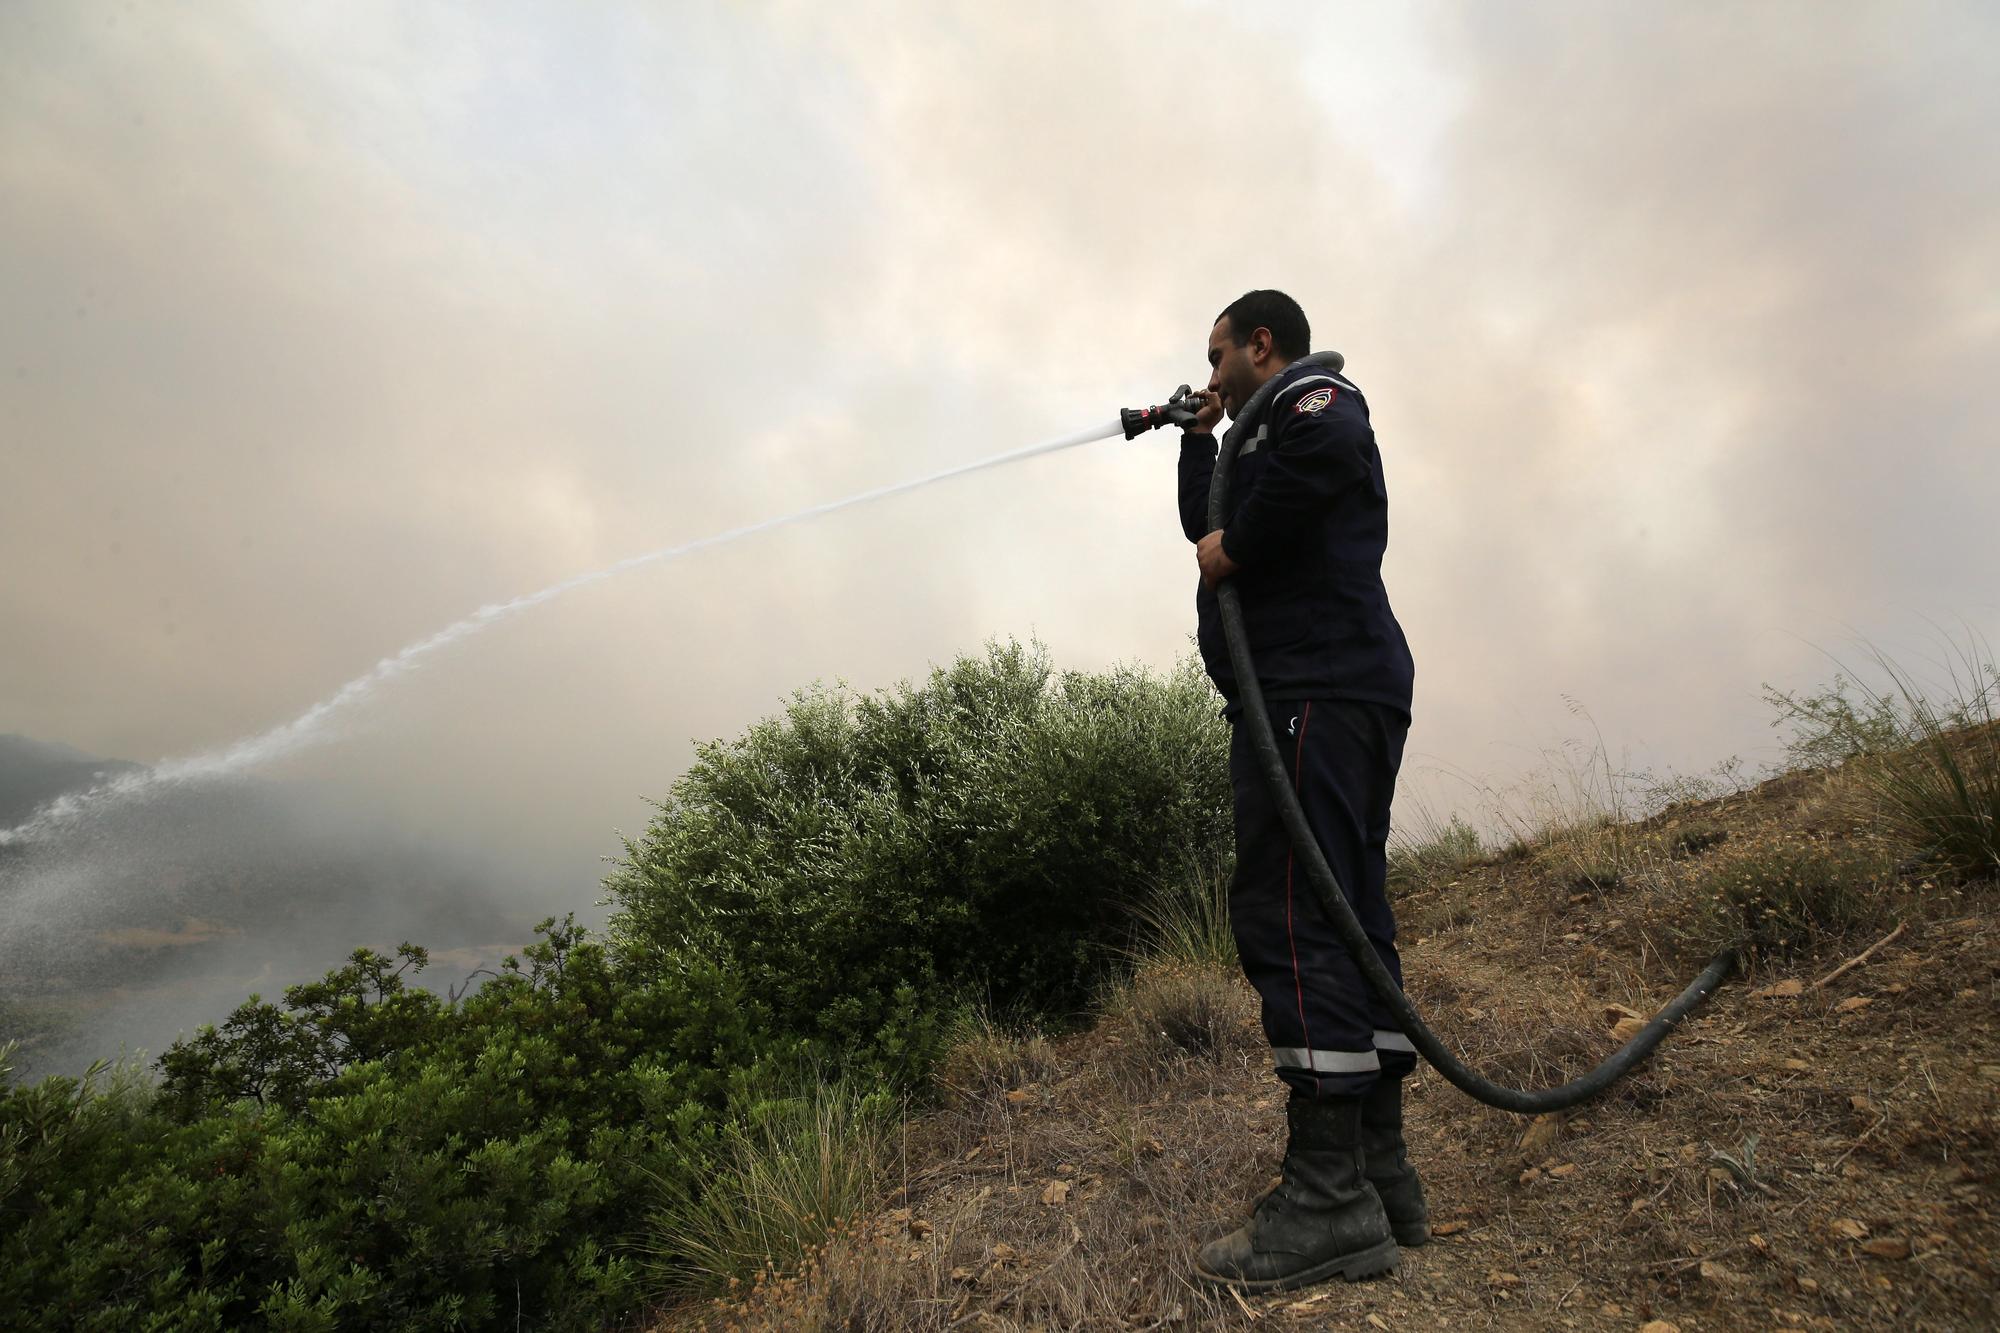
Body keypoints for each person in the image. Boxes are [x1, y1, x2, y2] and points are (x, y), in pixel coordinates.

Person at [1175, 289, 1425, 1292]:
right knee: (1346, 908)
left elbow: (1266, 511)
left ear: (1259, 345)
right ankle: (1379, 1174)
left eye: (1216, 355)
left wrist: (1232, 546)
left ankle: (1326, 1204)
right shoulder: (1251, 435)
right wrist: (1197, 443)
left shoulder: (1312, 399)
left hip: (1312, 688)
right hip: (1327, 688)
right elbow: (1209, 528)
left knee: (1289, 912)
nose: (1210, 372)